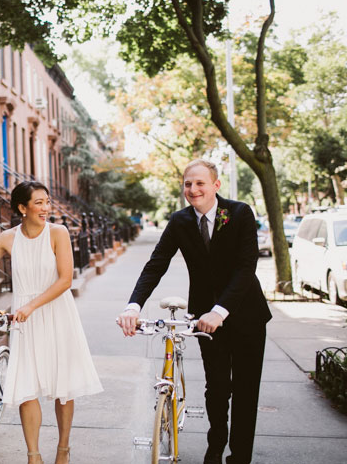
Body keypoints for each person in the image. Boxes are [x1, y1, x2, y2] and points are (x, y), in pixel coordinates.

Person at [0, 181, 103, 464]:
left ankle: (63, 450)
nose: (46, 208)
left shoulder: (58, 233)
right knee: (26, 387)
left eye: (47, 202)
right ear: (22, 208)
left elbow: (65, 280)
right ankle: (33, 456)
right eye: (39, 203)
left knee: (63, 386)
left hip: (57, 313)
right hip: (25, 320)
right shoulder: (7, 239)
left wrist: (31, 305)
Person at [117, 159, 271, 464]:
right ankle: (215, 447)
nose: (193, 189)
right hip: (204, 321)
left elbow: (245, 268)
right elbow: (156, 264)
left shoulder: (239, 213)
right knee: (216, 389)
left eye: (200, 183)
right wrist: (133, 305)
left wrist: (220, 310)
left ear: (215, 185)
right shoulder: (180, 221)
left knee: (244, 391)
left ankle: (239, 456)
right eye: (188, 183)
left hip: (246, 315)